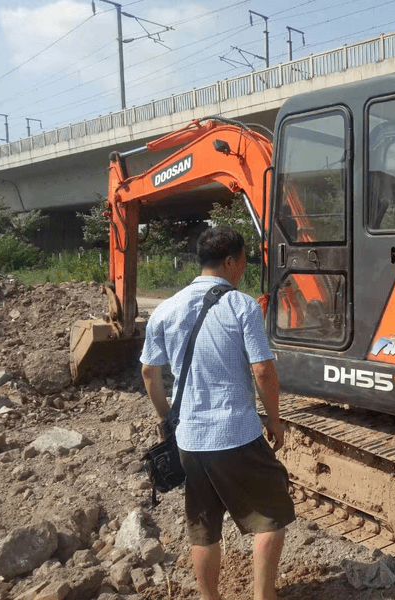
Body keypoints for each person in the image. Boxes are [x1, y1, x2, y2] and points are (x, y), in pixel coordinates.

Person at [140, 226, 295, 600]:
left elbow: (150, 372)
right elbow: (262, 370)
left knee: (204, 526)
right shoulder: (241, 306)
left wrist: (168, 420)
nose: (243, 268)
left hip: (190, 439)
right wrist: (274, 420)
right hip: (235, 432)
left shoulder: (166, 308)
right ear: (230, 261)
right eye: (242, 260)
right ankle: (263, 596)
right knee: (270, 514)